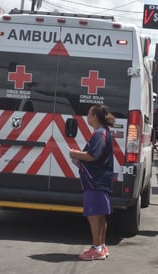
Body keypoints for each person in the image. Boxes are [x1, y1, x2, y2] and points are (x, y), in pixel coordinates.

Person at [69, 104, 115, 261]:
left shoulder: (100, 134)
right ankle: (101, 246)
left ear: (95, 117)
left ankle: (96, 249)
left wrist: (75, 154)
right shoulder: (101, 133)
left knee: (94, 215)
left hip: (95, 180)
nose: (87, 116)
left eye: (89, 113)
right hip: (99, 180)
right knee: (100, 214)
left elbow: (92, 156)